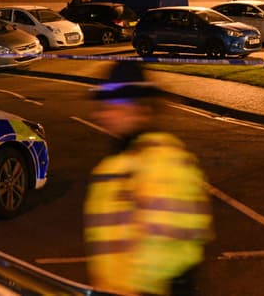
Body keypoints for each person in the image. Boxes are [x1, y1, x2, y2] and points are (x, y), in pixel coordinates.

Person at [83, 60, 213, 296]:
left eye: (116, 105)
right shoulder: (113, 166)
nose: (104, 114)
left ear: (141, 110)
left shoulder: (163, 162)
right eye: (105, 105)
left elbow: (170, 254)